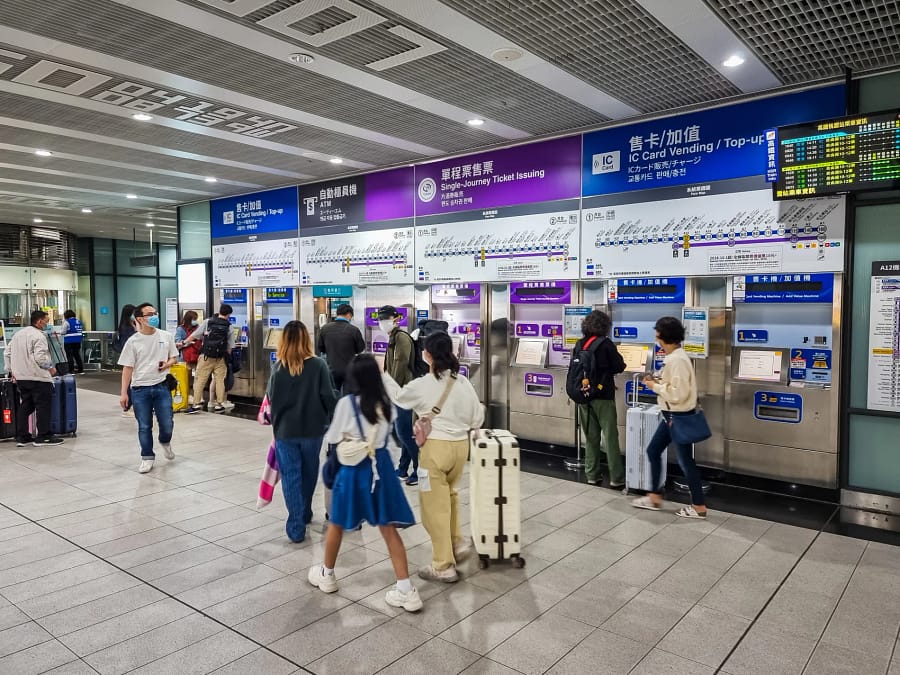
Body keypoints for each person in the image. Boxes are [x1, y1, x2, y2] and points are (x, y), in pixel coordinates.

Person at [308, 354, 422, 612]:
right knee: (388, 527)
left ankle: (327, 575)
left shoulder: (347, 404)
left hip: (354, 469)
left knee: (337, 522)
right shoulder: (386, 404)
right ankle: (406, 590)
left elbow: (334, 435)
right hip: (381, 467)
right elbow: (397, 397)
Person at [395, 332, 484, 583]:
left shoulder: (423, 383)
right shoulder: (463, 381)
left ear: (427, 355)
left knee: (433, 507)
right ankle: (456, 541)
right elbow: (477, 417)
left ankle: (443, 565)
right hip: (459, 450)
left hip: (435, 451)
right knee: (449, 496)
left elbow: (399, 398)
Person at [266, 320, 338, 543]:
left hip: (285, 432)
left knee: (290, 477)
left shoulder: (278, 367)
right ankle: (305, 512)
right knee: (308, 473)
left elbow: (270, 399)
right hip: (313, 430)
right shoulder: (318, 365)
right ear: (306, 339)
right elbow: (328, 396)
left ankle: (296, 524)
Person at [632, 316, 708, 519]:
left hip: (678, 416)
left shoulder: (678, 359)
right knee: (654, 450)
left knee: (685, 461)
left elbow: (678, 393)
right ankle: (654, 496)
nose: (656, 338)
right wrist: (659, 381)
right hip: (671, 416)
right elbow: (675, 386)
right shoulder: (676, 357)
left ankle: (699, 506)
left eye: (657, 334)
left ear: (663, 336)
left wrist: (653, 386)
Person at [117, 303, 178, 473]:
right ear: (139, 319)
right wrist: (123, 393)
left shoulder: (166, 336)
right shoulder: (133, 341)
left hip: (161, 386)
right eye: (149, 314)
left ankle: (165, 441)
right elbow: (127, 368)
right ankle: (147, 457)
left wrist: (167, 364)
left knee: (167, 422)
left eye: (155, 313)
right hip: (140, 389)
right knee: (144, 425)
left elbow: (174, 357)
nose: (154, 316)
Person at [572, 310, 626, 488]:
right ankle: (616, 478)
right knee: (610, 436)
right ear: (605, 326)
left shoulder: (580, 344)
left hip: (584, 395)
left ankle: (592, 475)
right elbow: (619, 365)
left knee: (591, 437)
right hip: (603, 396)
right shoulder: (606, 344)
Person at [2, 310, 63, 447]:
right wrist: (51, 368)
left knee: (26, 405)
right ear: (39, 321)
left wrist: (11, 371)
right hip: (38, 377)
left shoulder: (18, 334)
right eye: (46, 322)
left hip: (22, 378)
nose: (47, 324)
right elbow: (40, 358)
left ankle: (22, 436)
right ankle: (43, 436)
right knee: (43, 406)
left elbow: (7, 353)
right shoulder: (38, 336)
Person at [377, 305, 420, 486]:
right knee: (404, 432)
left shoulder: (401, 338)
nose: (382, 322)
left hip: (403, 392)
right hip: (400, 390)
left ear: (396, 319)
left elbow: (400, 366)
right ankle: (403, 468)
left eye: (386, 318)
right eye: (380, 319)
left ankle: (419, 469)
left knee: (404, 432)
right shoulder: (393, 337)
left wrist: (391, 390)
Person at [184, 304, 235, 414]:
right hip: (220, 358)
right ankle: (220, 404)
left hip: (206, 356)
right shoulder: (229, 326)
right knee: (220, 380)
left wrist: (184, 342)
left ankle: (196, 404)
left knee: (200, 380)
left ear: (219, 311)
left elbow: (194, 335)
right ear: (229, 314)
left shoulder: (208, 321)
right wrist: (227, 357)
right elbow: (230, 346)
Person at [316, 303, 365, 393]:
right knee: (349, 397)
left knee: (333, 394)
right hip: (349, 370)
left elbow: (320, 348)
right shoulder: (354, 330)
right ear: (349, 315)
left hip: (331, 369)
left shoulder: (325, 329)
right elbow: (360, 348)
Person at [113, 304, 137, 417]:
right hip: (130, 357)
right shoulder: (126, 327)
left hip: (135, 358)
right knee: (129, 382)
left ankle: (132, 405)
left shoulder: (131, 325)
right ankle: (127, 407)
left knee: (133, 381)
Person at [62, 309, 84, 375]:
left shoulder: (67, 322)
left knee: (69, 356)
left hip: (69, 341)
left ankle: (71, 370)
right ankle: (81, 369)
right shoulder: (79, 321)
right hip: (78, 341)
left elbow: (63, 332)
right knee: (77, 355)